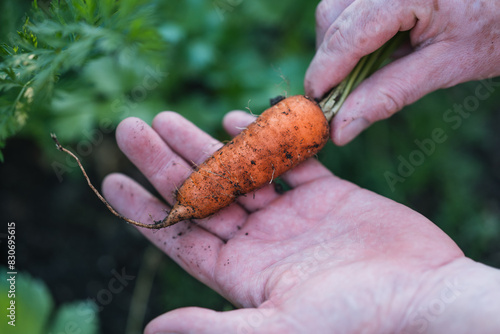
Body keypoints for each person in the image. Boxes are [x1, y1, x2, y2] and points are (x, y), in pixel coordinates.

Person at [102, 1, 500, 333]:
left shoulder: (308, 121)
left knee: (238, 166)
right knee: (234, 165)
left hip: (306, 120)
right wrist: (432, 291)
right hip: (305, 121)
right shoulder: (305, 121)